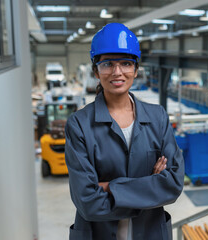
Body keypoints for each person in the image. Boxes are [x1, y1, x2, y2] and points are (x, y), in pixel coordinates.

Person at [65, 23, 184, 240]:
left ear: (136, 70)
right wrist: (149, 190)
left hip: (150, 233)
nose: (117, 72)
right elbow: (87, 201)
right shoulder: (79, 124)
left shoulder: (157, 118)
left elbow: (173, 183)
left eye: (126, 63)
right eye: (108, 63)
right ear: (96, 70)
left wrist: (110, 187)